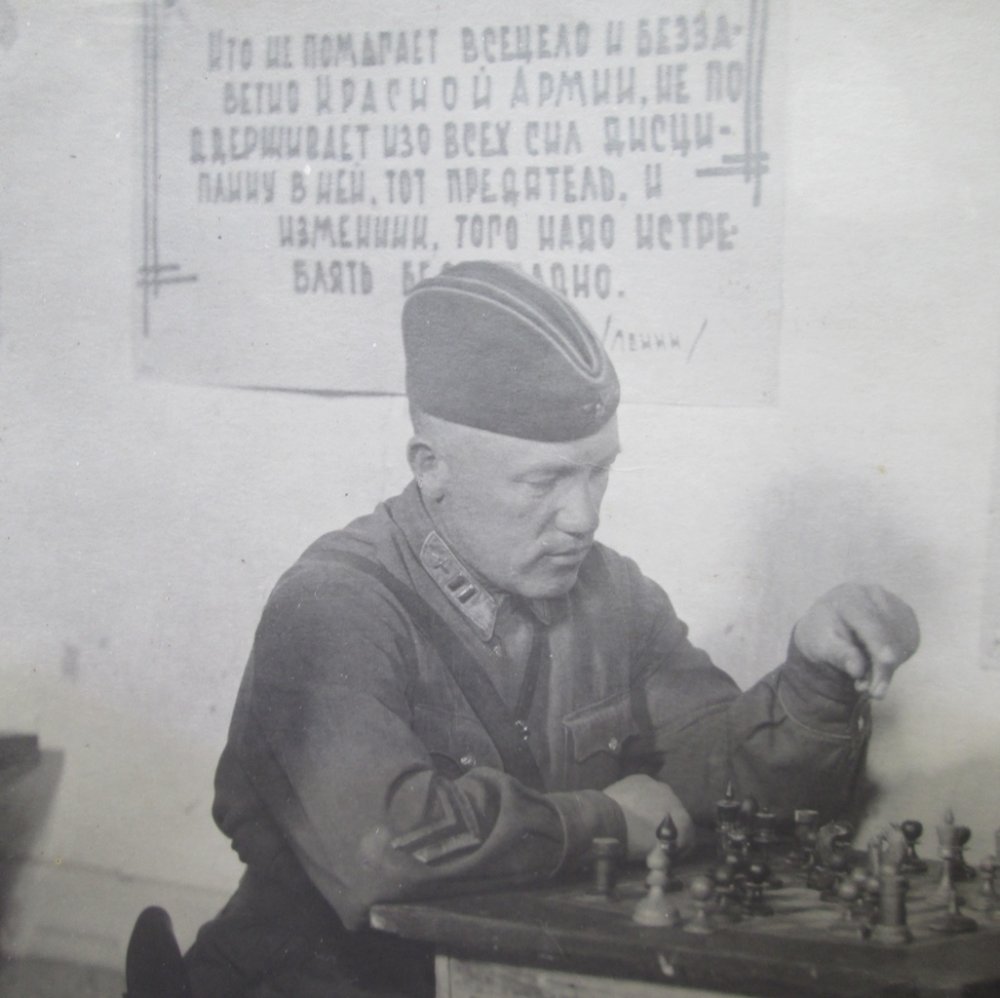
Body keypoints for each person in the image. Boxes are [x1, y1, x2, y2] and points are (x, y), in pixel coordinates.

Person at [178, 261, 919, 997]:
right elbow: (385, 850)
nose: (583, 517)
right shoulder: (332, 607)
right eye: (544, 480)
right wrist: (606, 821)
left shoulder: (612, 594)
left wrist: (817, 678)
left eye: (598, 473)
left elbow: (722, 782)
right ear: (431, 467)